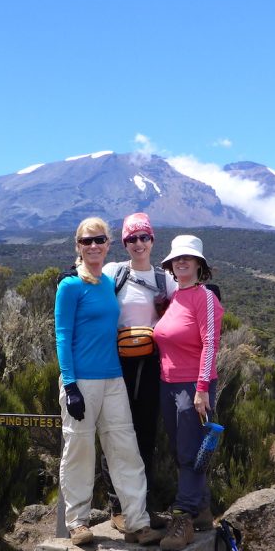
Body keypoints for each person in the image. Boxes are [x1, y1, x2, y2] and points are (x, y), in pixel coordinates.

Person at [54, 216, 163, 547]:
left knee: (125, 449)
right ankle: (77, 522)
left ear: (108, 245)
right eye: (86, 241)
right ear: (78, 246)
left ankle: (137, 521)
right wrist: (70, 385)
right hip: (82, 381)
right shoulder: (70, 286)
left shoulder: (108, 280)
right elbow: (62, 335)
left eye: (99, 240)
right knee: (80, 450)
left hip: (113, 377)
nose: (93, 246)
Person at [152, 234, 224, 551]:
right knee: (186, 449)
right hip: (169, 385)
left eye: (188, 258)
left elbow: (211, 344)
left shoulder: (205, 298)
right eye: (177, 258)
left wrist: (203, 388)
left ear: (199, 264)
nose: (181, 262)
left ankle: (183, 517)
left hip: (193, 386)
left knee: (189, 452)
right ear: (170, 265)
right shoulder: (173, 299)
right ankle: (203, 510)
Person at [99, 212, 168, 533]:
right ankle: (117, 506)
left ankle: (142, 506)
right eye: (131, 239)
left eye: (144, 237)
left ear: (153, 240)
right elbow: (85, 277)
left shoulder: (162, 278)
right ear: (124, 243)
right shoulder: (115, 272)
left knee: (145, 434)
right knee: (115, 431)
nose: (138, 244)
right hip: (117, 363)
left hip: (151, 365)